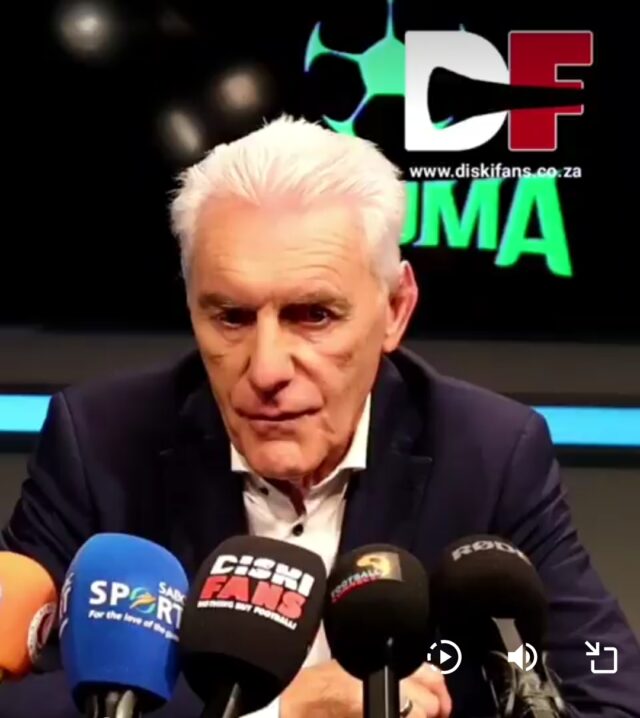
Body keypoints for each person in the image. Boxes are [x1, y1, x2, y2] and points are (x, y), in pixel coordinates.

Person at [1, 115, 639, 718]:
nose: (267, 368)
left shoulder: (490, 453)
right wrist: (281, 710)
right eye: (231, 317)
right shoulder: (101, 444)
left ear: (395, 310)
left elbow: (612, 691)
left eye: (313, 316)